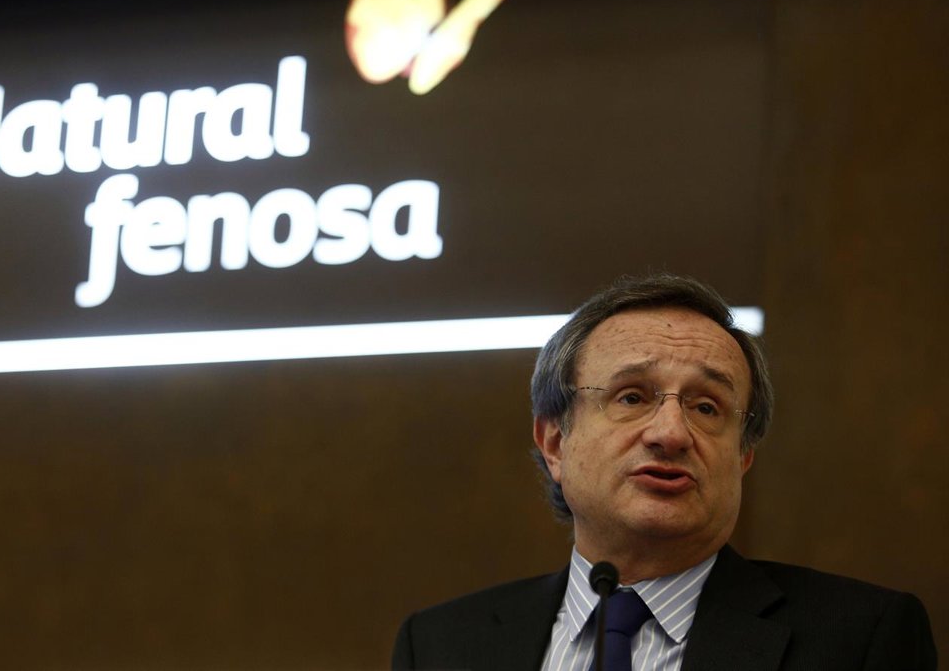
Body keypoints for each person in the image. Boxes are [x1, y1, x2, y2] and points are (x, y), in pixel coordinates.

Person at [391, 273, 937, 670]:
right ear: (555, 442)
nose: (671, 433)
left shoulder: (861, 639)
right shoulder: (440, 645)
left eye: (707, 408)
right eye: (632, 397)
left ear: (742, 457)